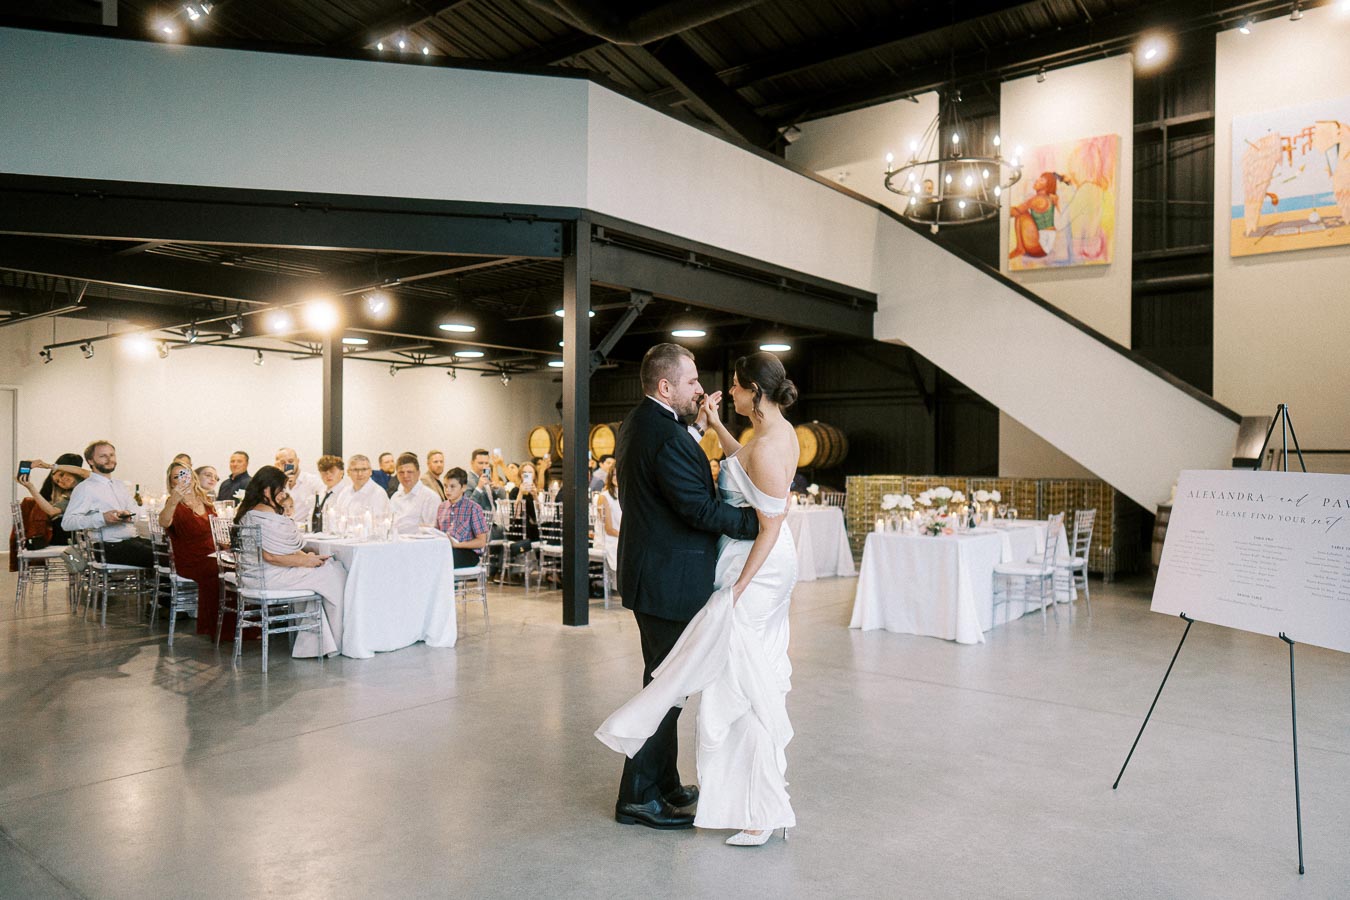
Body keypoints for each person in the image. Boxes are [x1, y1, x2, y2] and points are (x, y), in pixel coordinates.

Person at [598, 350, 799, 846]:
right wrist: (758, 522)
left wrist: (707, 428)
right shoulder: (667, 435)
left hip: (660, 573)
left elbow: (725, 471)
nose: (703, 390)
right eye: (691, 382)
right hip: (667, 579)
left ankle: (664, 783)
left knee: (672, 683)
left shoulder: (643, 421)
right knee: (667, 686)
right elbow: (698, 508)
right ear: (666, 388)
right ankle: (639, 797)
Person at [236, 466, 346, 658]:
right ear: (267, 490)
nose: (283, 494)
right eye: (281, 489)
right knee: (334, 573)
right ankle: (339, 640)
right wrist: (307, 562)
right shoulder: (267, 516)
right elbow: (272, 557)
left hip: (253, 576)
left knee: (325, 572)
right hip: (270, 577)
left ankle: (315, 644)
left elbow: (282, 551)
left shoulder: (249, 513)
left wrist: (308, 558)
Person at [62, 440, 154, 568]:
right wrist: (102, 518)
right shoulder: (85, 488)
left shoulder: (120, 485)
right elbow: (67, 523)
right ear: (90, 461)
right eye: (103, 456)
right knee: (164, 557)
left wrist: (128, 515)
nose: (109, 459)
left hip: (132, 540)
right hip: (107, 547)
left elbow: (135, 509)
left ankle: (158, 580)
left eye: (111, 455)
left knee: (171, 551)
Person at [158, 460, 222, 635]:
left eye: (184, 474)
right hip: (191, 558)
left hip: (213, 553)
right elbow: (163, 522)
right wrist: (174, 500)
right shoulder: (173, 503)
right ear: (172, 483)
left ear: (192, 477)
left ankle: (236, 622)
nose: (182, 479)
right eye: (176, 477)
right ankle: (215, 626)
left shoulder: (205, 500)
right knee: (218, 570)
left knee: (236, 567)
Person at [9, 454, 87, 570]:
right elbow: (52, 511)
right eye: (57, 481)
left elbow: (84, 473)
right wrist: (30, 487)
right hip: (71, 537)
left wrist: (49, 466)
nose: (61, 481)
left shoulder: (89, 483)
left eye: (62, 475)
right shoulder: (68, 496)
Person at [434, 467, 491, 568]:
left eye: (452, 486)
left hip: (468, 553)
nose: (447, 490)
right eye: (445, 486)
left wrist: (457, 545)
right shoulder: (442, 507)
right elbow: (437, 532)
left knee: (444, 559)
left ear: (463, 487)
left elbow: (481, 542)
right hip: (445, 549)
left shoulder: (473, 508)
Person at [390, 452, 441, 534]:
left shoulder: (430, 497)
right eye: (401, 472)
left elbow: (432, 531)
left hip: (420, 541)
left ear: (418, 473)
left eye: (410, 472)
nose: (405, 476)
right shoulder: (395, 497)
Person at [275, 448, 323, 526]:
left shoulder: (313, 481)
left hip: (305, 529)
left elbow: (322, 505)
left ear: (298, 461)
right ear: (277, 465)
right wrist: (281, 483)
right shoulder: (275, 484)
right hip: (281, 527)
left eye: (291, 461)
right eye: (283, 463)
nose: (287, 465)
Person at [333, 454, 390, 521]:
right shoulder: (344, 493)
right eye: (355, 470)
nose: (360, 474)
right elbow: (337, 518)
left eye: (364, 469)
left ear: (370, 472)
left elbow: (378, 523)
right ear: (348, 472)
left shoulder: (378, 494)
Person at [595, 465, 622, 575]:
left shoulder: (628, 495)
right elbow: (609, 529)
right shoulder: (604, 496)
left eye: (619, 474)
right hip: (609, 538)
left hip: (622, 536)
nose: (617, 477)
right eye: (614, 475)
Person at [311, 455, 349, 532]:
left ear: (341, 473)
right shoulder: (321, 492)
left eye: (332, 471)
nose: (328, 475)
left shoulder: (347, 493)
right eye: (324, 472)